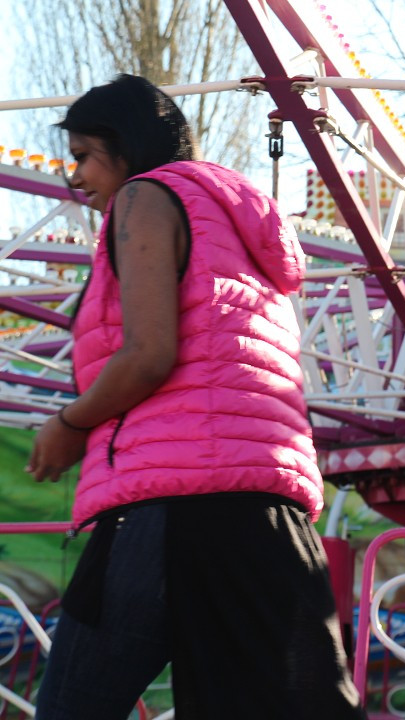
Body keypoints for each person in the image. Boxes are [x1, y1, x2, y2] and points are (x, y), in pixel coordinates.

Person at [27, 75, 364, 720]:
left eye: (83, 156)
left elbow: (149, 354)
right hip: (268, 511)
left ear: (124, 147)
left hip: (170, 504)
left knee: (73, 707)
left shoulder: (145, 198)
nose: (75, 177)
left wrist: (70, 424)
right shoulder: (236, 226)